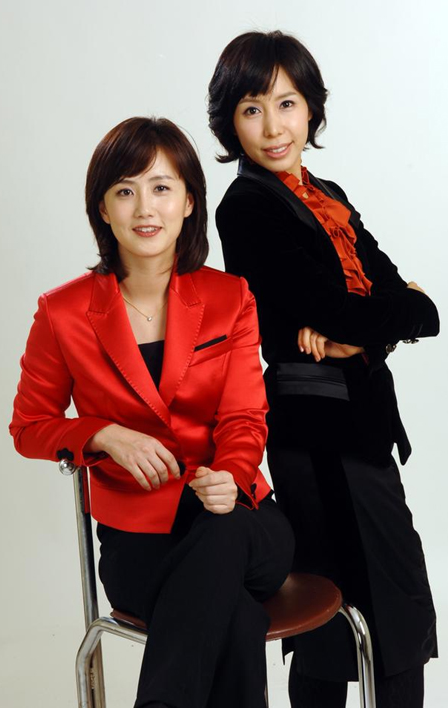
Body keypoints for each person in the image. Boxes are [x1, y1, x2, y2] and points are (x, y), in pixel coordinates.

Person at [10, 116, 294, 708]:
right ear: (103, 208)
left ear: (189, 202)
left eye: (162, 187)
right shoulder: (62, 313)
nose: (145, 208)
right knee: (236, 619)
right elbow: (30, 427)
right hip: (139, 541)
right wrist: (103, 434)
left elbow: (245, 417)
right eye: (125, 190)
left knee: (224, 534)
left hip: (240, 518)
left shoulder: (230, 297)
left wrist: (232, 474)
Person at [208, 30, 439, 708]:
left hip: (360, 423)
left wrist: (367, 328)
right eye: (252, 109)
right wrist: (374, 318)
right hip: (315, 432)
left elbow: (419, 310)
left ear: (311, 107)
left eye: (287, 103)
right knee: (349, 607)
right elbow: (344, 309)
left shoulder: (326, 193)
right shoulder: (246, 206)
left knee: (373, 605)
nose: (273, 126)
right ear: (229, 122)